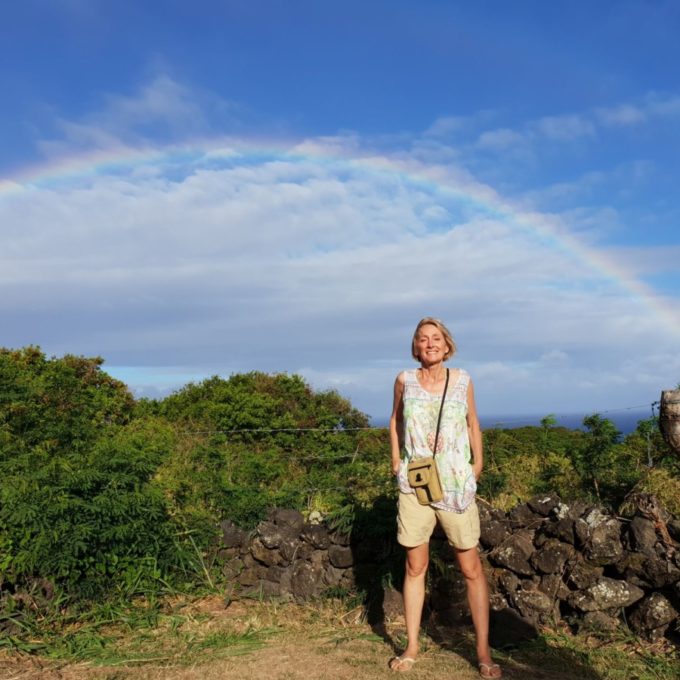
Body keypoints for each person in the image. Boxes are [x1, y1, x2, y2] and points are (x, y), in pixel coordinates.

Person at [388, 317, 501, 678]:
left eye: (436, 338)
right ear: (415, 346)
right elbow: (395, 420)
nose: (430, 344)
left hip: (455, 482)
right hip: (416, 483)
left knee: (470, 568)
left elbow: (472, 422)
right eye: (423, 339)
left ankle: (482, 652)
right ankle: (412, 646)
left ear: (447, 345)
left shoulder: (462, 379)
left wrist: (477, 465)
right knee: (415, 566)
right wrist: (396, 461)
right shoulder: (404, 380)